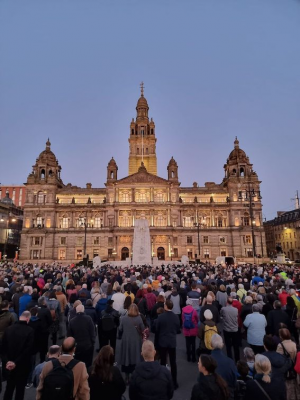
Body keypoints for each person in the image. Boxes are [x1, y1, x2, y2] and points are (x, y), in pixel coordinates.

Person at [2, 311, 34, 400]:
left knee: (9, 388)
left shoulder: (8, 329)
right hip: (22, 365)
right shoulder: (30, 331)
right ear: (28, 319)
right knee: (20, 390)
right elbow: (28, 350)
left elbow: (3, 348)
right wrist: (15, 362)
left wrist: (7, 362)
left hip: (8, 365)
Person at [156, 299, 180, 389]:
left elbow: (157, 328)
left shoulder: (161, 317)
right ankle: (174, 382)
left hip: (163, 341)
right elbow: (178, 328)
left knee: (162, 362)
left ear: (165, 306)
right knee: (173, 362)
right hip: (172, 341)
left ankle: (162, 381)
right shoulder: (175, 317)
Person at [118, 303, 144, 384]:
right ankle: (134, 376)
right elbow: (142, 329)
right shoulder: (139, 318)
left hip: (126, 340)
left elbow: (120, 328)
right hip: (136, 340)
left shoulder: (124, 318)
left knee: (126, 356)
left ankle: (126, 377)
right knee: (136, 356)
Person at [210, 334, 237, 400]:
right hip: (227, 394)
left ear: (211, 345)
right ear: (222, 345)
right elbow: (234, 381)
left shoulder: (206, 361)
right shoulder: (230, 362)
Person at [277, 328, 299, 400]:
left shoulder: (280, 345)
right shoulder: (294, 344)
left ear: (281, 336)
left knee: (287, 386)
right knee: (295, 385)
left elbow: (278, 358)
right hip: (294, 366)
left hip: (286, 368)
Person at [220, 297, 239, 362]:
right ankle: (237, 359)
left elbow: (221, 315)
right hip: (235, 329)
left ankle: (230, 359)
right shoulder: (236, 309)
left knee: (228, 345)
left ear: (227, 302)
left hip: (227, 329)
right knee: (236, 345)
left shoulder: (223, 309)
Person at [37, 296, 52, 362]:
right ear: (43, 302)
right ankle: (43, 359)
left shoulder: (36, 309)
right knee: (44, 344)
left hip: (37, 330)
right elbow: (50, 321)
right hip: (44, 330)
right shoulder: (46, 310)